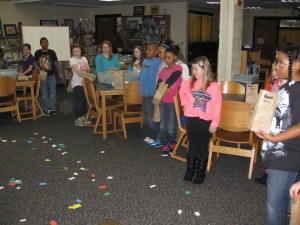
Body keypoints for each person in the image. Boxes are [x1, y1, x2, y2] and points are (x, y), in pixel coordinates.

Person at [255, 46, 300, 225]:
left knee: (275, 205)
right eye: (276, 61)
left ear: (297, 64)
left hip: (287, 154)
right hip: (277, 151)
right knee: (280, 200)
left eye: (281, 62)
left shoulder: (298, 90)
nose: (276, 66)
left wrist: (273, 139)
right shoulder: (285, 86)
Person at [179, 56, 222, 184]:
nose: (194, 72)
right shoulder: (190, 82)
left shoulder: (214, 86)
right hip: (192, 119)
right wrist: (185, 103)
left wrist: (215, 122)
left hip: (206, 121)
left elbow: (218, 106)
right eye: (193, 69)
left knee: (203, 147)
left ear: (205, 69)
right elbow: (182, 92)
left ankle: (200, 172)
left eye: (196, 69)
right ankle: (190, 169)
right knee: (192, 145)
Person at [254, 60, 288, 185]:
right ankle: (268, 172)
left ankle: (273, 174)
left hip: (278, 122)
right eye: (273, 70)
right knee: (267, 148)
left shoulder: (285, 87)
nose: (275, 73)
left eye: (277, 70)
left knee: (277, 148)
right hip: (268, 120)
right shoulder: (273, 84)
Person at [153, 45, 182, 156]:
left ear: (175, 57)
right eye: (165, 57)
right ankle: (165, 144)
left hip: (173, 103)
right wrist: (159, 84)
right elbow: (158, 83)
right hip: (162, 101)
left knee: (171, 127)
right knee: (163, 125)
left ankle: (172, 142)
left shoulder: (178, 69)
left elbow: (170, 80)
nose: (166, 60)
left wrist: (162, 84)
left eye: (169, 57)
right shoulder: (163, 70)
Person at [137, 42, 161, 145]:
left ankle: (154, 136)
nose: (147, 51)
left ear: (156, 52)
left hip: (151, 93)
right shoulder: (145, 61)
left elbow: (154, 79)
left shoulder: (158, 62)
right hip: (144, 93)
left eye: (150, 50)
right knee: (146, 115)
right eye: (146, 49)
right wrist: (129, 80)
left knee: (151, 116)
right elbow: (141, 75)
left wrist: (151, 91)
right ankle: (149, 134)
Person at [33, 37, 63, 116]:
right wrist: (39, 70)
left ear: (48, 43)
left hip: (51, 75)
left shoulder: (52, 52)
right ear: (40, 44)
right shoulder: (37, 52)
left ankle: (52, 109)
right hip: (42, 75)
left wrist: (61, 72)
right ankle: (47, 109)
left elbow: (56, 63)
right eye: (43, 42)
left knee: (53, 93)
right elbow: (35, 63)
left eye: (46, 42)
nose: (45, 43)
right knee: (44, 94)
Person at [69, 44, 91, 126]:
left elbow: (89, 69)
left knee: (85, 100)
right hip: (76, 83)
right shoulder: (72, 59)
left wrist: (85, 68)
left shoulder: (84, 58)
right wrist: (84, 69)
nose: (76, 53)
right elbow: (78, 72)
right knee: (79, 101)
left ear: (80, 51)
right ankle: (78, 120)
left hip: (84, 83)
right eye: (74, 51)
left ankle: (84, 118)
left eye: (77, 51)